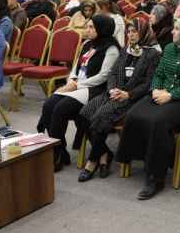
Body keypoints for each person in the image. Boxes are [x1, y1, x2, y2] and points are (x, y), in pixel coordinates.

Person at [116, 16, 180, 200]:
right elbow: (159, 73)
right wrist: (155, 89)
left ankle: (155, 176)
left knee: (158, 121)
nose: (173, 32)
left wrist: (171, 95)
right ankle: (141, 157)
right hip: (161, 93)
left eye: (177, 29)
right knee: (134, 114)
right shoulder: (169, 48)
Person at [76, 19, 162, 181]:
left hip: (132, 98)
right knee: (83, 114)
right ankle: (104, 154)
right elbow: (113, 73)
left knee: (100, 117)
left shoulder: (153, 54)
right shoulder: (125, 50)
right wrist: (111, 89)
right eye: (128, 32)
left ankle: (92, 161)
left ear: (144, 32)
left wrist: (128, 94)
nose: (131, 35)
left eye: (134, 31)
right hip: (113, 93)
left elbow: (148, 83)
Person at [37, 16, 121, 171]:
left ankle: (57, 155)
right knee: (48, 105)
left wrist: (77, 85)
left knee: (60, 109)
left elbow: (104, 76)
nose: (87, 30)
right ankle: (60, 150)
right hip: (77, 86)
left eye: (91, 27)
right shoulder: (87, 44)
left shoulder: (112, 49)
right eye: (87, 26)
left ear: (102, 29)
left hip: (95, 89)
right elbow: (76, 67)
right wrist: (71, 81)